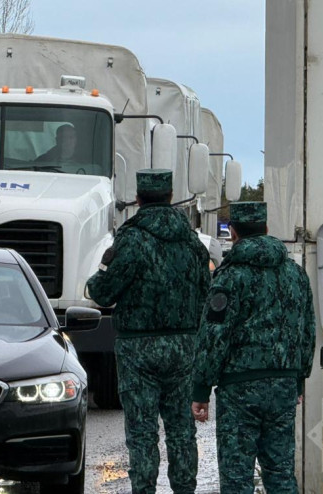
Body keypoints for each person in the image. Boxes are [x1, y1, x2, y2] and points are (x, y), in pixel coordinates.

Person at [86, 169, 211, 494]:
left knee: (142, 432)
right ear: (171, 197)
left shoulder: (131, 239)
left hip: (138, 350)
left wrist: (101, 267)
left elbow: (102, 293)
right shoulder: (192, 242)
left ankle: (144, 489)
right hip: (184, 347)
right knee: (182, 431)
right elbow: (206, 294)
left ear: (139, 199)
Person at [190, 201, 316, 493]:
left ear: (232, 233)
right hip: (284, 384)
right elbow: (307, 330)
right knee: (281, 472)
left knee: (237, 477)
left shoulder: (229, 277)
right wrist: (298, 379)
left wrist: (201, 389)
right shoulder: (296, 275)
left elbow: (213, 336)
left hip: (239, 390)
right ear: (267, 229)